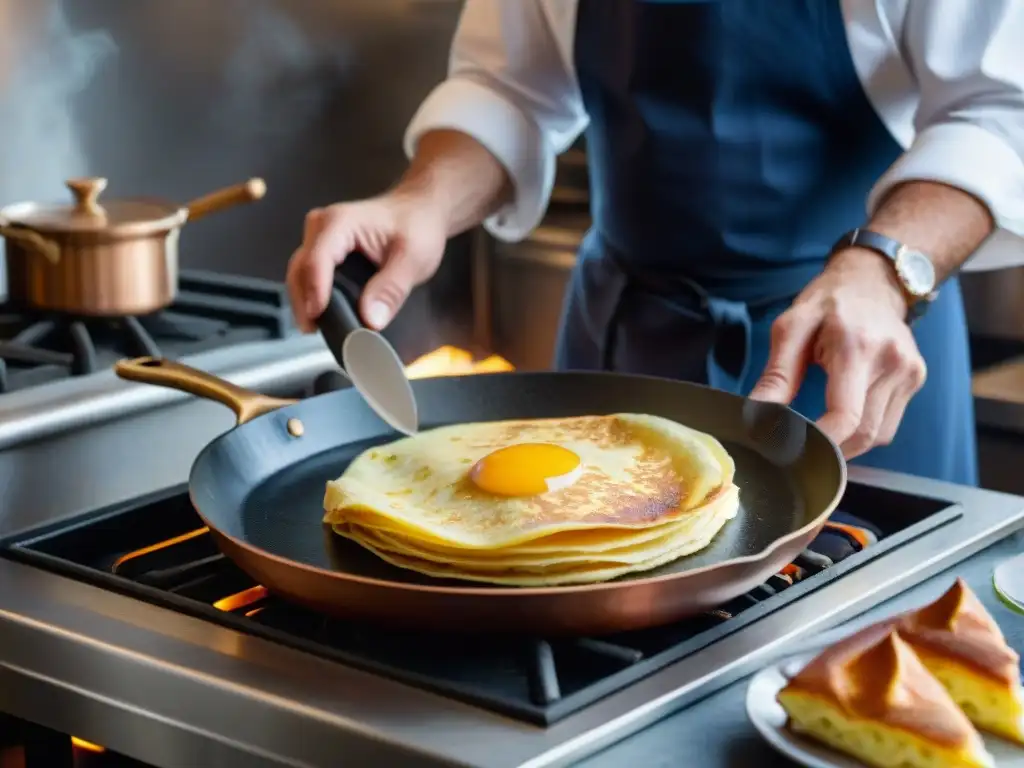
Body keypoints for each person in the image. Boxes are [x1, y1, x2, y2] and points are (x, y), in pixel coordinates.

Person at [287, 0, 1024, 485]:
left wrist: (882, 270)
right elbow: (510, 86)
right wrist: (423, 199)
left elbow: (998, 110)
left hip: (854, 355)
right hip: (625, 340)